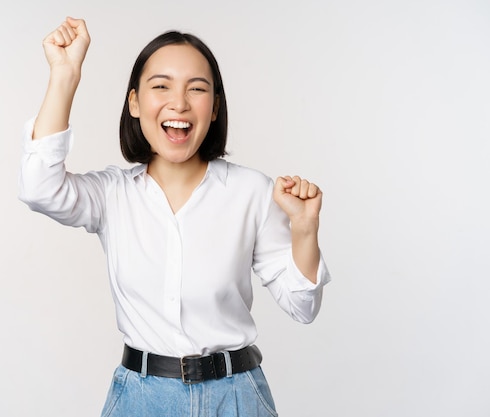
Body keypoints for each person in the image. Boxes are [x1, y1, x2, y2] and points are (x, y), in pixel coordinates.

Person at [19, 16, 331, 417]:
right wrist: (65, 74)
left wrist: (305, 229)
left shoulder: (252, 191)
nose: (179, 103)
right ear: (134, 102)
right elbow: (39, 188)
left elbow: (302, 308)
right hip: (141, 399)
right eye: (161, 86)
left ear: (215, 107)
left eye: (196, 89)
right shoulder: (112, 194)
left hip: (236, 398)